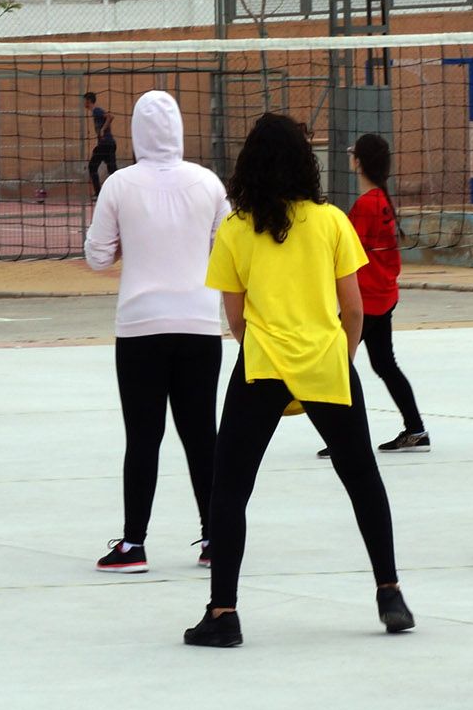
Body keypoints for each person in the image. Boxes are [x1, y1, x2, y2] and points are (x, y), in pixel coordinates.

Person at [185, 113, 413, 647]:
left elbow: (236, 319)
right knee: (363, 481)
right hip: (326, 362)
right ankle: (390, 591)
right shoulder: (331, 220)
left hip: (264, 364)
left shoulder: (238, 228)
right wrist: (341, 356)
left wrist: (269, 352)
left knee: (229, 490)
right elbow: (353, 309)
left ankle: (224, 612)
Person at [85, 90, 229, 573]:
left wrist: (132, 243)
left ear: (137, 131)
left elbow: (97, 256)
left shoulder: (120, 186)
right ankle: (215, 538)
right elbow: (224, 249)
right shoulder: (208, 182)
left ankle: (133, 545)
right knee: (201, 436)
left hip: (141, 326)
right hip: (200, 323)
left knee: (143, 437)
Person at [347, 133, 429, 454]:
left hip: (367, 300)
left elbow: (347, 258)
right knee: (383, 363)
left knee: (337, 365)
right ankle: (415, 428)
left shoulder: (366, 205)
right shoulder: (380, 199)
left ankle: (347, 439)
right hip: (383, 296)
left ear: (359, 163)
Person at [85, 92, 119, 195]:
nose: (84, 103)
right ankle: (117, 192)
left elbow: (110, 116)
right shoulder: (95, 112)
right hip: (108, 145)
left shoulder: (96, 111)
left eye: (85, 101)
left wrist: (103, 129)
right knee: (112, 171)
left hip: (105, 145)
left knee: (92, 166)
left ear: (89, 101)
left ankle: (99, 193)